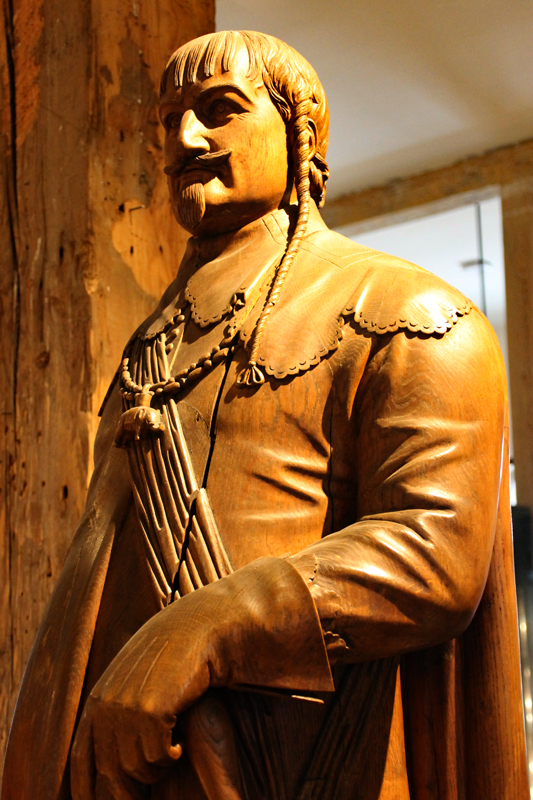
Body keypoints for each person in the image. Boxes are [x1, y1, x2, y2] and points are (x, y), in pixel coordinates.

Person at [2, 30, 528, 800]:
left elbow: (435, 552)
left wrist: (205, 628)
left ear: (299, 132)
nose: (184, 139)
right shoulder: (148, 349)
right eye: (169, 121)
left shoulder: (400, 312)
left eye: (219, 109)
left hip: (304, 768)